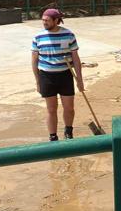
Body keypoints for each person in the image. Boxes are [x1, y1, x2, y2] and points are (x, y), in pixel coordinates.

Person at [31, 8, 84, 141]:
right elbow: (34, 60)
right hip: (46, 76)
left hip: (65, 75)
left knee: (69, 107)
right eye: (43, 20)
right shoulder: (38, 37)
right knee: (51, 109)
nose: (44, 23)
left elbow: (76, 58)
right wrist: (37, 81)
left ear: (56, 20)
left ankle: (68, 132)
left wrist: (80, 80)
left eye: (47, 20)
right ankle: (53, 137)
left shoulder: (69, 35)